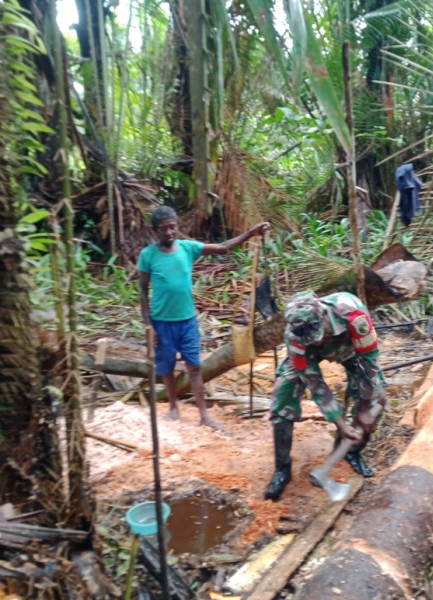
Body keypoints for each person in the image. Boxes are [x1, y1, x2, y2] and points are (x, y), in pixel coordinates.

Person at [138, 206, 270, 430]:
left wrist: (251, 232)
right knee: (167, 368)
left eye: (173, 227)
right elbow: (142, 290)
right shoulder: (148, 255)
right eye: (164, 229)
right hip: (161, 322)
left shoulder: (188, 248)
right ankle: (172, 407)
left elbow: (223, 248)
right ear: (155, 231)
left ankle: (203, 415)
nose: (169, 233)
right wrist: (149, 327)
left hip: (187, 320)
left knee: (194, 367)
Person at [264, 290, 385, 501]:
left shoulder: (354, 316)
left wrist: (365, 409)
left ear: (324, 315)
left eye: (319, 335)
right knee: (283, 394)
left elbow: (369, 363)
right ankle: (282, 469)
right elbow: (315, 383)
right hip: (307, 356)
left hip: (350, 348)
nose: (317, 341)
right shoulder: (295, 337)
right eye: (311, 339)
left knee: (375, 396)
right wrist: (340, 423)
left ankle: (351, 453)